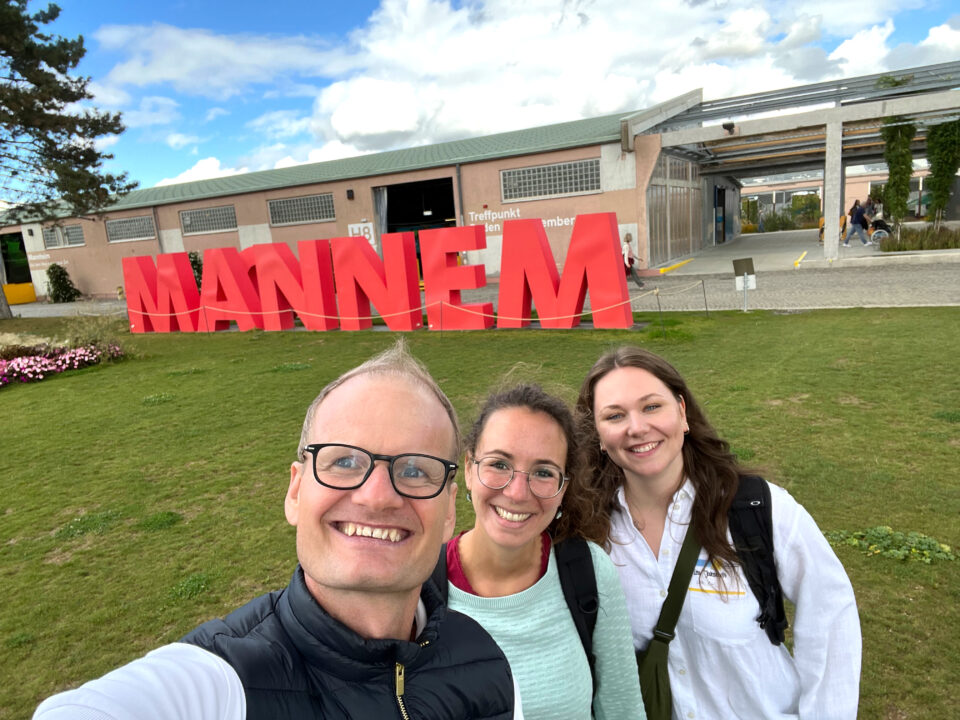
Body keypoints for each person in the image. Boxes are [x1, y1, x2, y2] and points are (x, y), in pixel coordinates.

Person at [35, 342, 520, 720]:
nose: (377, 496)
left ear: (451, 512)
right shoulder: (223, 681)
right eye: (344, 461)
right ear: (295, 492)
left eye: (415, 470)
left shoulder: (487, 661)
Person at [576, 347, 862, 720]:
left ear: (682, 412)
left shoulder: (758, 508)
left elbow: (831, 616)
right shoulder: (587, 530)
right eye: (614, 415)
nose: (636, 427)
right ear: (598, 434)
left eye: (651, 407)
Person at [438, 385, 645, 719]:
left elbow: (623, 710)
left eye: (544, 472)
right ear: (469, 468)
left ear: (564, 489)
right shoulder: (420, 585)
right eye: (499, 464)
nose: (518, 493)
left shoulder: (589, 572)